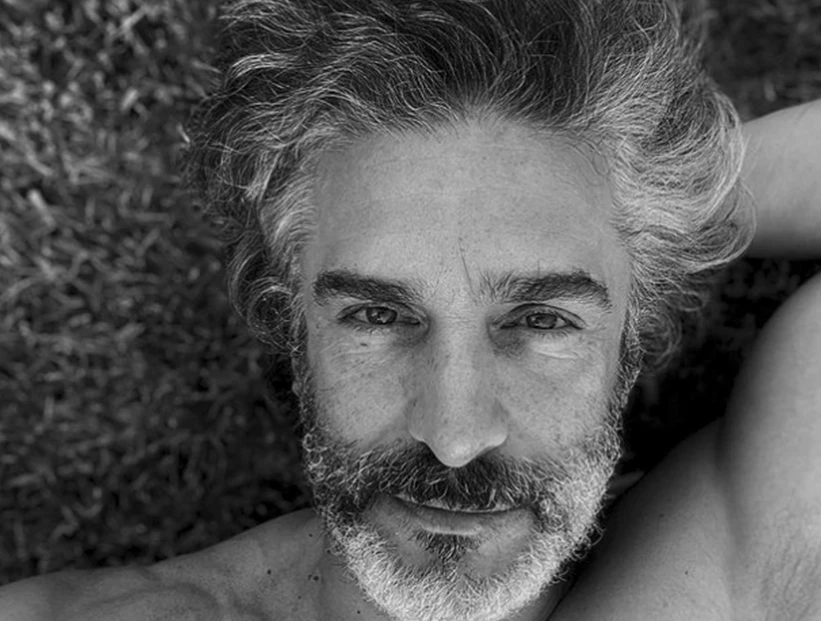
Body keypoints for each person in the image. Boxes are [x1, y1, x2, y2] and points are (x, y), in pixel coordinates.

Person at [2, 1, 820, 619]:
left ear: (633, 331)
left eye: (541, 319)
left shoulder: (725, 571)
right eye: (376, 316)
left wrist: (650, 209)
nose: (454, 437)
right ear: (292, 319)